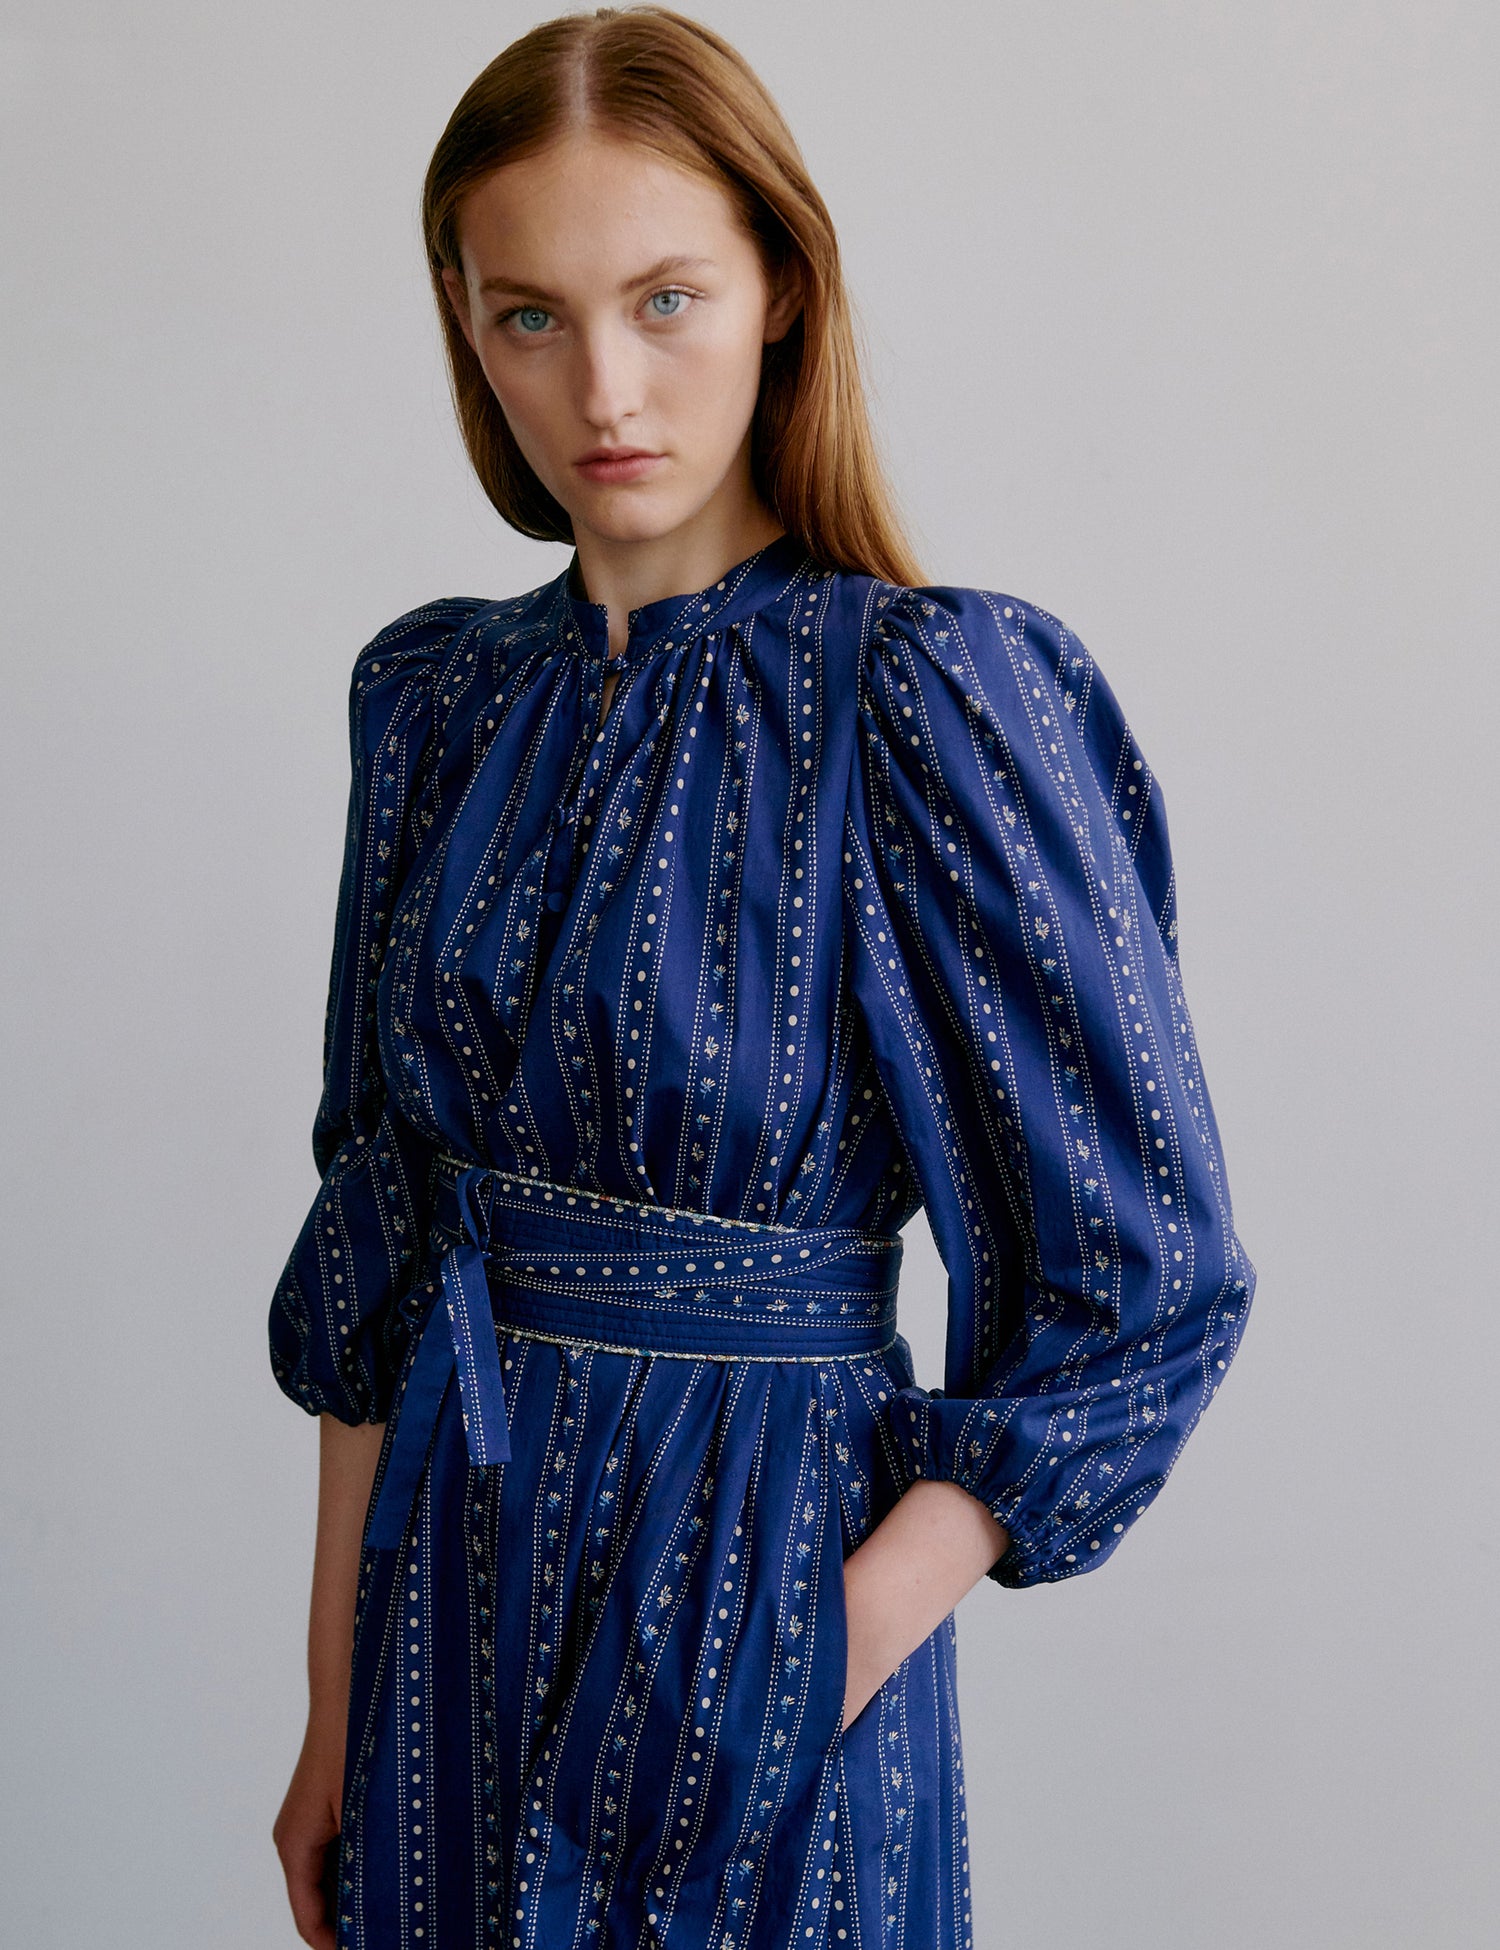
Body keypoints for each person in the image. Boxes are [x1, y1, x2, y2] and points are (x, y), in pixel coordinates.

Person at [268, 8, 1257, 1946]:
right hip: (443, 1600)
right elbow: (375, 1246)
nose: (603, 387)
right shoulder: (437, 703)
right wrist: (331, 1715)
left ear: (783, 289)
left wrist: (808, 1659)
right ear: (465, 324)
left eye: (667, 299)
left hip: (758, 1569)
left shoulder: (925, 695)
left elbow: (1149, 1281)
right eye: (530, 316)